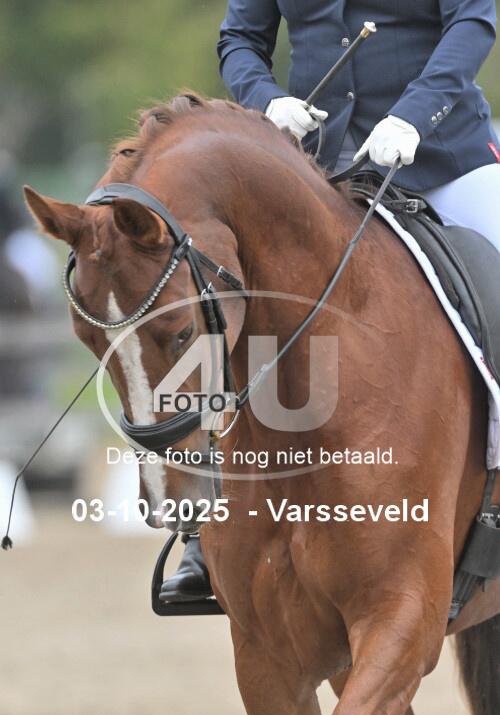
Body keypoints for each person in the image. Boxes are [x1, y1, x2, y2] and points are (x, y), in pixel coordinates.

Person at [161, 0, 500, 602]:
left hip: (441, 155)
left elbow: (473, 22)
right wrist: (266, 101)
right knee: (226, 302)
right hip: (312, 167)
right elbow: (239, 39)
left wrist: (414, 117)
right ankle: (208, 521)